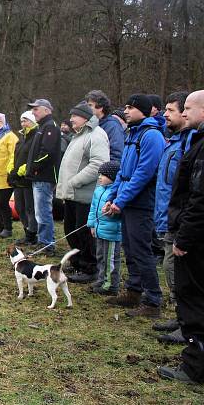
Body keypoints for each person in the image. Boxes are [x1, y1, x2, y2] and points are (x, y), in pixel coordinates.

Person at [104, 94, 165, 318]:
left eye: (130, 107)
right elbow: (123, 171)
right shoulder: (132, 133)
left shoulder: (152, 136)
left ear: (143, 110)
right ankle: (133, 291)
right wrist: (113, 196)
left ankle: (153, 300)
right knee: (129, 248)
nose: (126, 111)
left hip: (142, 203)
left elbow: (143, 174)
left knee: (141, 250)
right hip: (127, 201)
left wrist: (122, 200)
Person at [158, 89, 204, 384]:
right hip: (190, 230)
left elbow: (199, 199)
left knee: (193, 299)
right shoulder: (196, 143)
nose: (183, 113)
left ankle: (194, 367)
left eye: (188, 107)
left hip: (195, 239)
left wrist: (183, 238)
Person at [153, 91, 193, 340]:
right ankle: (181, 317)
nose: (165, 114)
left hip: (181, 219)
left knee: (177, 270)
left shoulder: (190, 143)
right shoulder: (174, 141)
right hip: (168, 216)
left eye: (171, 110)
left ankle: (188, 324)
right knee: (170, 267)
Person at [56, 102, 110, 282]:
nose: (71, 119)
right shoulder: (78, 135)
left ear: (85, 117)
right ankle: (78, 263)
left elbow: (99, 164)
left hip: (85, 195)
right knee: (70, 229)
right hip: (72, 195)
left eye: (74, 116)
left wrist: (75, 181)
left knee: (84, 232)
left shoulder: (96, 135)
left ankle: (90, 268)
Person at [20, 98, 62, 255]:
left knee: (43, 211)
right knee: (39, 211)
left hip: (44, 177)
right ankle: (43, 240)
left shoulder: (50, 127)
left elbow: (47, 153)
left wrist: (34, 168)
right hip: (38, 176)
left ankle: (47, 243)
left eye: (36, 109)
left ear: (47, 110)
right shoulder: (42, 127)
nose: (33, 112)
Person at [87, 161, 123, 296]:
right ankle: (102, 279)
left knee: (110, 259)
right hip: (99, 230)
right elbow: (93, 209)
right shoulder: (98, 190)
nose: (100, 177)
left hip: (112, 232)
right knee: (101, 256)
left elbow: (119, 213)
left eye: (103, 175)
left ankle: (111, 285)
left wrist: (112, 212)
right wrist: (91, 224)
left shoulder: (117, 193)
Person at [10, 112, 38, 245]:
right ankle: (26, 230)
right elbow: (14, 156)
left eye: (26, 121)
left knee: (30, 208)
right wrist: (11, 171)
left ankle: (32, 234)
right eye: (22, 121)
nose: (23, 124)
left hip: (28, 178)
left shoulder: (36, 137)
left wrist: (20, 172)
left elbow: (33, 159)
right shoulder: (21, 138)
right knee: (19, 207)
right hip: (17, 179)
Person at [86, 89, 125, 161]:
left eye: (90, 105)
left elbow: (117, 154)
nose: (86, 108)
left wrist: (105, 171)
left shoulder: (113, 126)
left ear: (100, 107)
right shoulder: (91, 125)